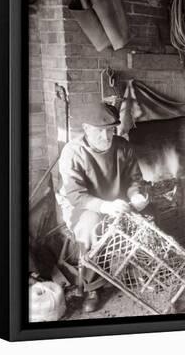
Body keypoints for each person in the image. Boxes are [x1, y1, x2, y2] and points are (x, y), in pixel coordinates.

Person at [57, 102, 149, 311]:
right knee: (91, 225)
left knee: (149, 213)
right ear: (86, 129)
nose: (106, 137)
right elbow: (75, 195)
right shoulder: (73, 152)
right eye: (100, 132)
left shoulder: (122, 146)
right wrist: (104, 206)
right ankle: (93, 285)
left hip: (115, 200)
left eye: (110, 130)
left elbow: (134, 179)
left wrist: (135, 195)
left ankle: (135, 268)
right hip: (83, 207)